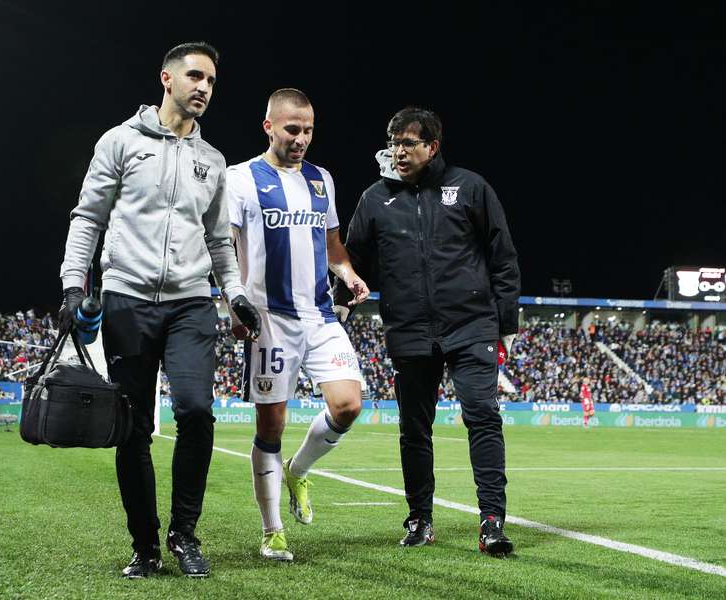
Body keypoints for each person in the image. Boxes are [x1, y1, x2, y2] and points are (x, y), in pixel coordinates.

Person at [58, 41, 261, 579]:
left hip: (192, 302)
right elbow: (88, 217)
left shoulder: (212, 161)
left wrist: (234, 293)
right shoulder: (120, 142)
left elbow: (220, 241)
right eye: (196, 76)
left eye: (212, 81)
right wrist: (73, 285)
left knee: (196, 409)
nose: (205, 88)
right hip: (126, 298)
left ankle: (185, 534)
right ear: (166, 79)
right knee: (133, 426)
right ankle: (145, 545)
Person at [340, 106, 521, 556]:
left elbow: (502, 255)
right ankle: (420, 517)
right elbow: (351, 259)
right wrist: (340, 304)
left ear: (432, 147)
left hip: (471, 325)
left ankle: (492, 520)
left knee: (482, 416)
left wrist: (507, 322)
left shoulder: (470, 188)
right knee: (414, 430)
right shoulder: (374, 198)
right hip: (409, 330)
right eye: (393, 142)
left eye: (408, 143)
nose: (398, 151)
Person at [226, 88, 369, 561]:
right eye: (293, 129)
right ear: (269, 127)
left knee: (348, 405)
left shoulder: (320, 179)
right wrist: (234, 302)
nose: (302, 138)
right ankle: (272, 531)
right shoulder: (241, 179)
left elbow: (330, 241)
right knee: (272, 424)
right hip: (270, 319)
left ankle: (298, 469)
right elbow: (223, 246)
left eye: (308, 130)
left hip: (320, 314)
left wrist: (347, 272)